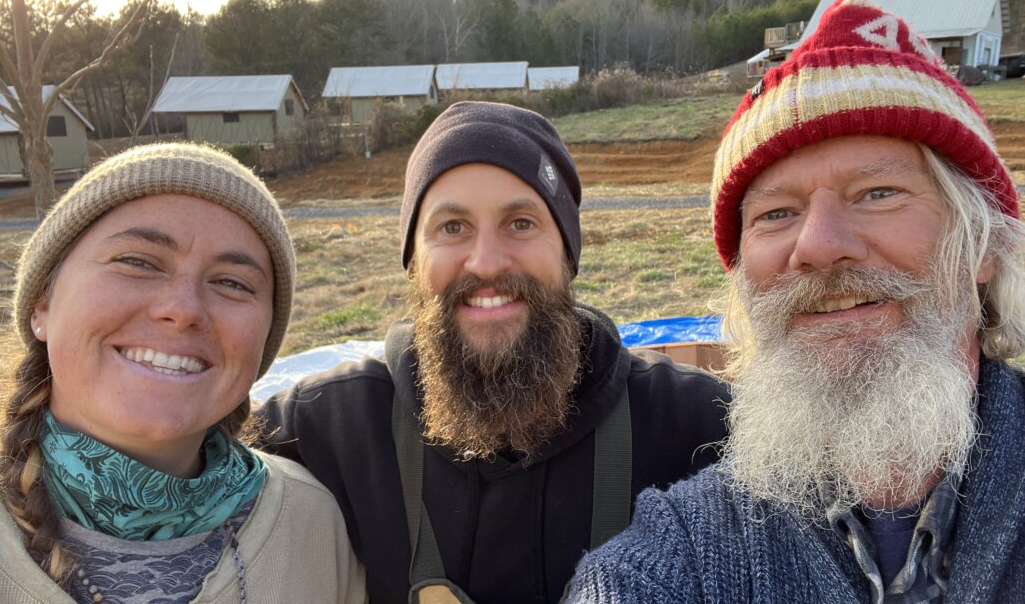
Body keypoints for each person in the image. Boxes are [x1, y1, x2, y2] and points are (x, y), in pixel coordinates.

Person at [566, 0, 1025, 603]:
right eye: (777, 213)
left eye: (878, 192)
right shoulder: (677, 556)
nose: (816, 246)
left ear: (982, 247)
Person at [257, 101, 731, 604]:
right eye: (452, 227)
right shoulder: (323, 432)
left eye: (521, 223)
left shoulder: (699, 431)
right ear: (414, 260)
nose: (485, 262)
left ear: (566, 253)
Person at [0, 143, 366, 603]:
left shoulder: (312, 526)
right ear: (42, 305)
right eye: (138, 262)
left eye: (232, 283)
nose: (183, 309)